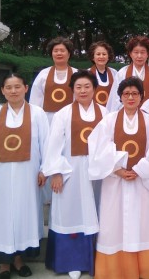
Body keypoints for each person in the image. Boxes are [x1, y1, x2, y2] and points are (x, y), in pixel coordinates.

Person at [0, 73, 49, 279]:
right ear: (3, 91)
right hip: (0, 178)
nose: (13, 91)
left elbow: (46, 144)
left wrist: (44, 169)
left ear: (26, 88)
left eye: (17, 86)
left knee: (23, 216)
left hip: (28, 177)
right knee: (0, 218)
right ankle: (3, 263)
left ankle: (19, 259)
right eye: (9, 87)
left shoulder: (38, 114)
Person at [88, 77, 149, 279]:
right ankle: (115, 270)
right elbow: (99, 147)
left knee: (143, 223)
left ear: (141, 97)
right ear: (120, 97)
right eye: (126, 94)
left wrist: (139, 169)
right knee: (114, 224)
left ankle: (145, 269)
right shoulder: (109, 120)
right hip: (116, 181)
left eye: (135, 94)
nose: (130, 97)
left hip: (142, 181)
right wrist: (117, 169)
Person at [42, 70, 108, 279]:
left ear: (94, 89)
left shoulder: (105, 113)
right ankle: (72, 261)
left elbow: (110, 143)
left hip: (98, 174)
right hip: (70, 172)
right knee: (71, 214)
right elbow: (53, 145)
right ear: (72, 90)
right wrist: (56, 173)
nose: (83, 91)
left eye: (87, 86)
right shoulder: (63, 114)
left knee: (96, 211)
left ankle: (97, 259)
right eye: (78, 87)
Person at [106, 36, 149, 112]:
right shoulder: (122, 73)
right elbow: (116, 97)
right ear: (130, 53)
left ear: (148, 54)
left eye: (142, 52)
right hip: (126, 114)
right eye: (136, 52)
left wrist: (144, 108)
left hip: (148, 114)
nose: (139, 56)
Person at [29, 36, 77, 123]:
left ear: (69, 54)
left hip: (70, 118)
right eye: (55, 51)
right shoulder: (43, 74)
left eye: (62, 50)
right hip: (47, 119)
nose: (59, 53)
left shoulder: (76, 74)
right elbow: (35, 98)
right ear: (51, 54)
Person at [87, 41, 117, 107]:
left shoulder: (114, 73)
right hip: (93, 110)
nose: (101, 56)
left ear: (108, 57)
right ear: (93, 57)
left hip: (111, 110)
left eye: (104, 54)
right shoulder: (87, 74)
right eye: (98, 54)